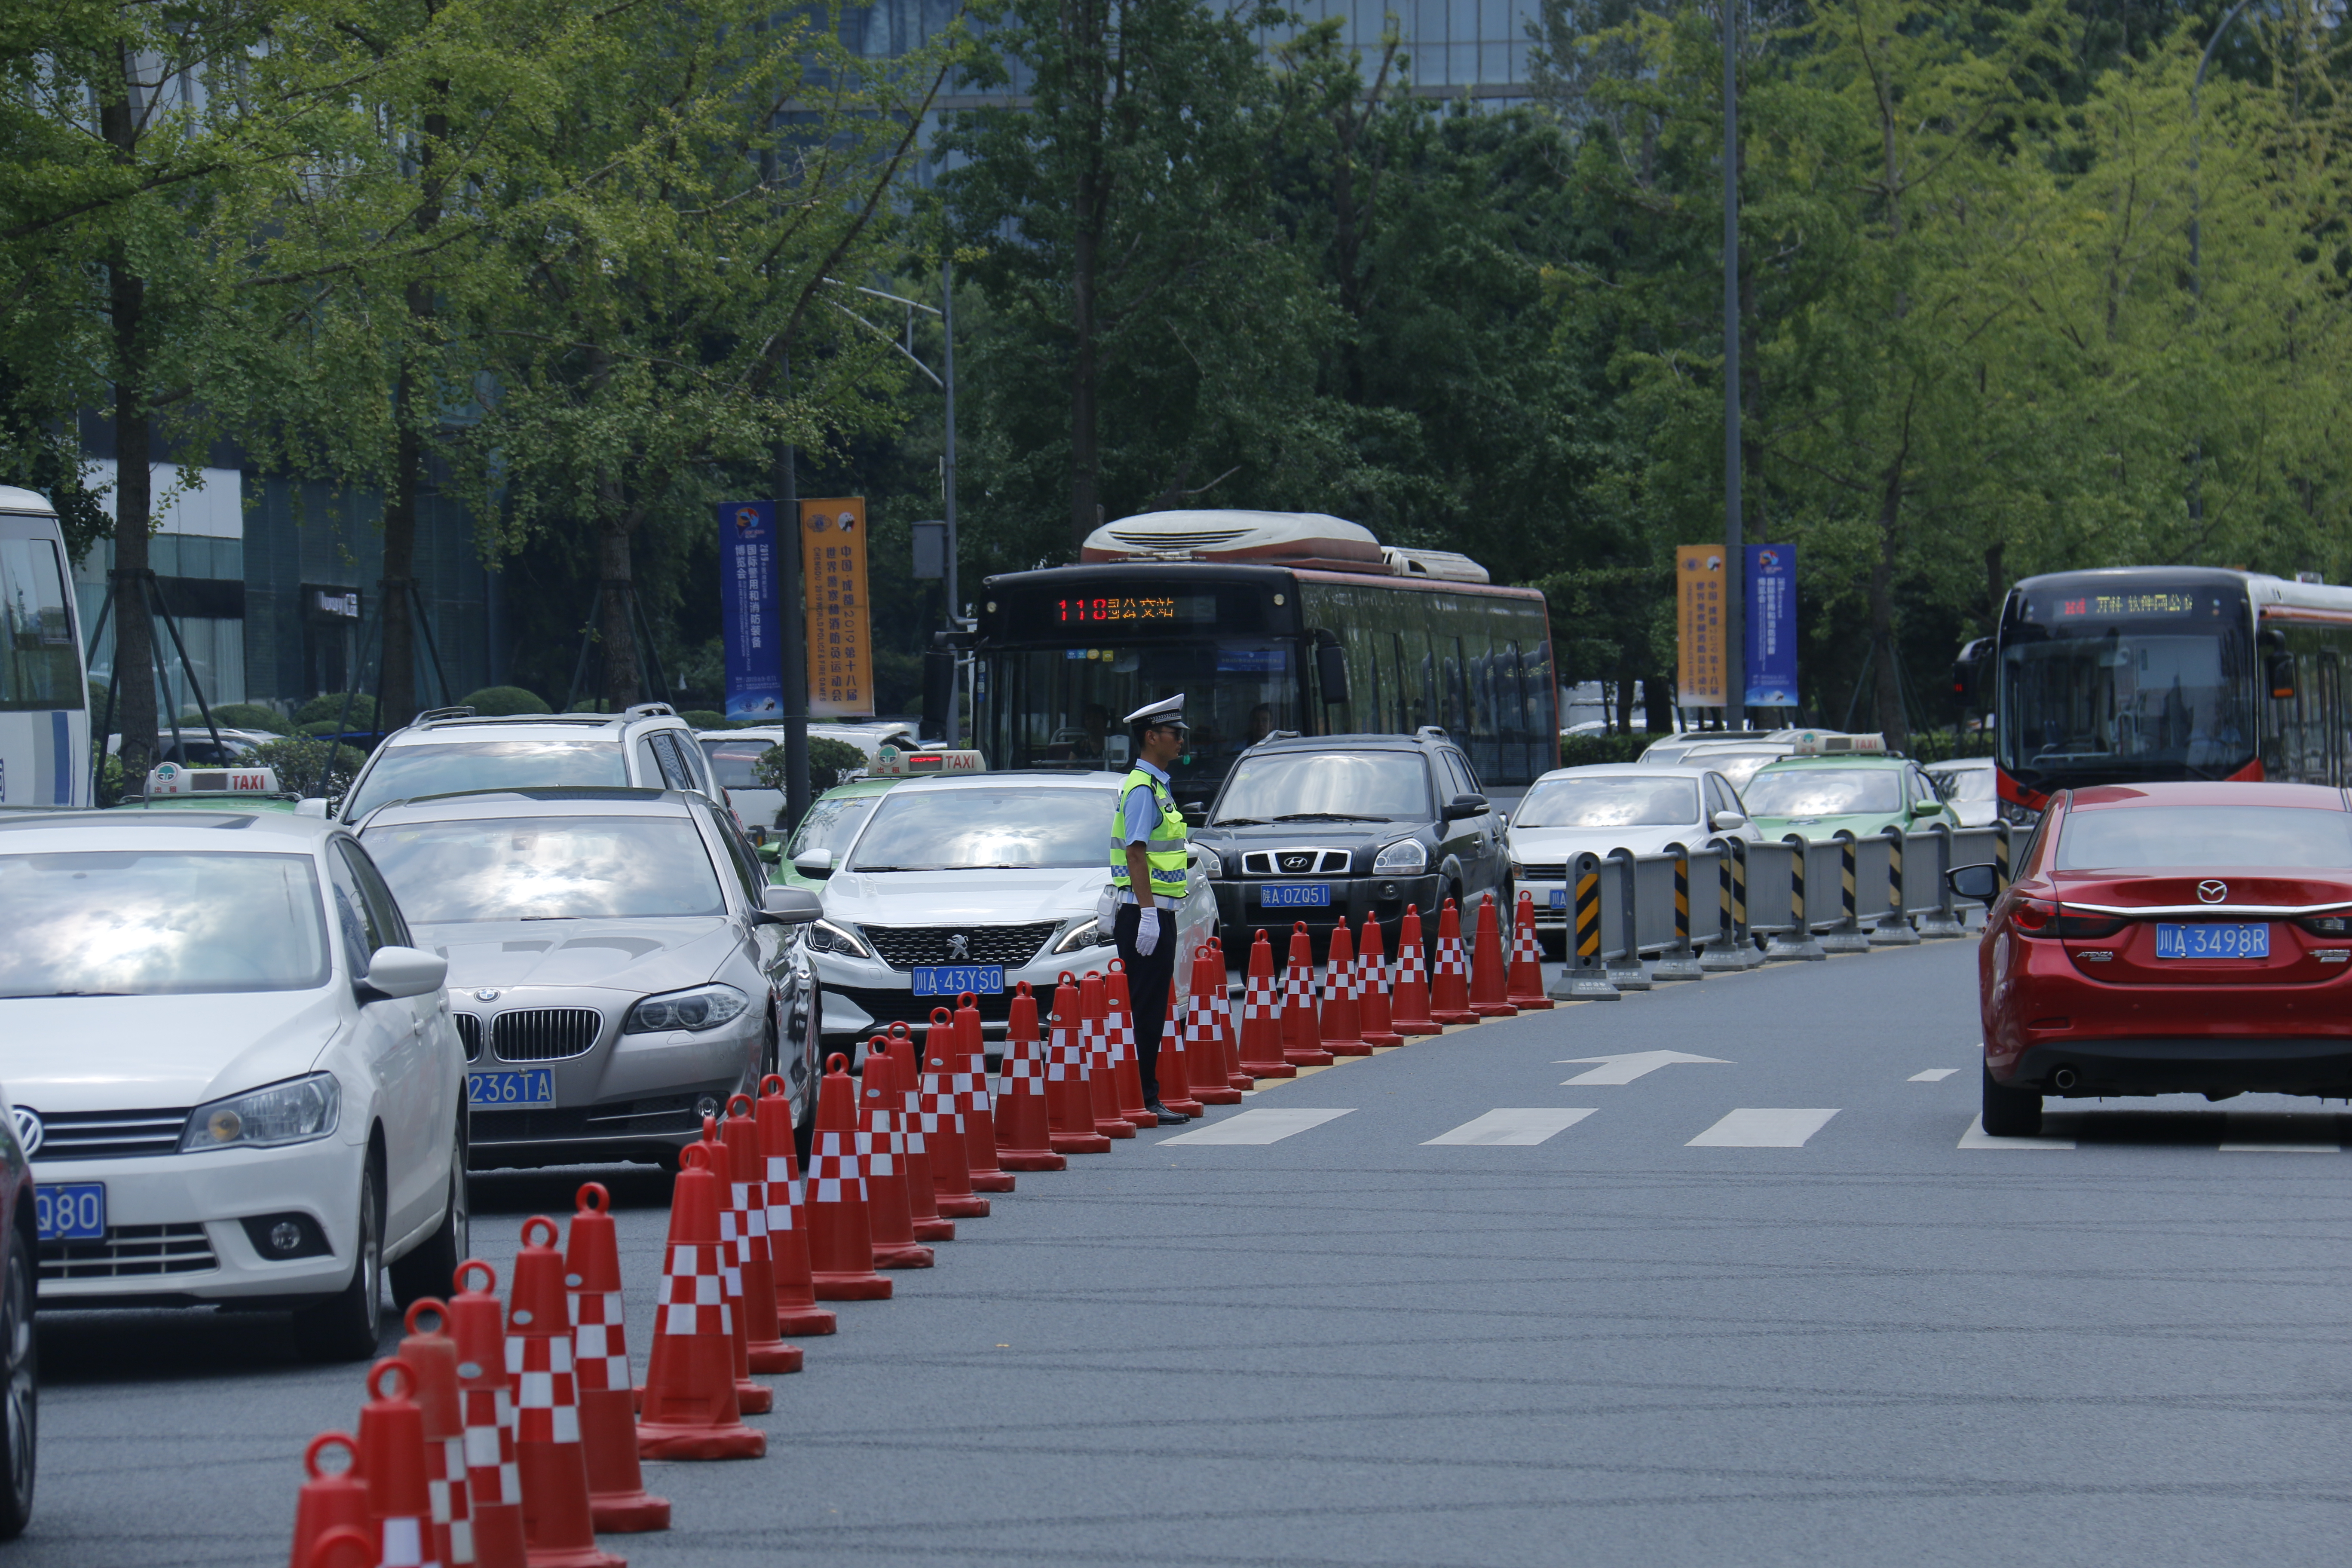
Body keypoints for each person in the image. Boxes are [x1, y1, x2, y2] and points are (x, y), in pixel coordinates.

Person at [1111, 694, 1193, 1124]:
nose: (1180, 740)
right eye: (1173, 733)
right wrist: (1146, 914)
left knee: (1150, 1005)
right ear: (1151, 737)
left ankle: (1146, 1094)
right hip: (1145, 912)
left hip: (1156, 910)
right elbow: (1136, 854)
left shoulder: (1156, 784)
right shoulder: (1143, 789)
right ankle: (1144, 1098)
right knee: (1144, 1009)